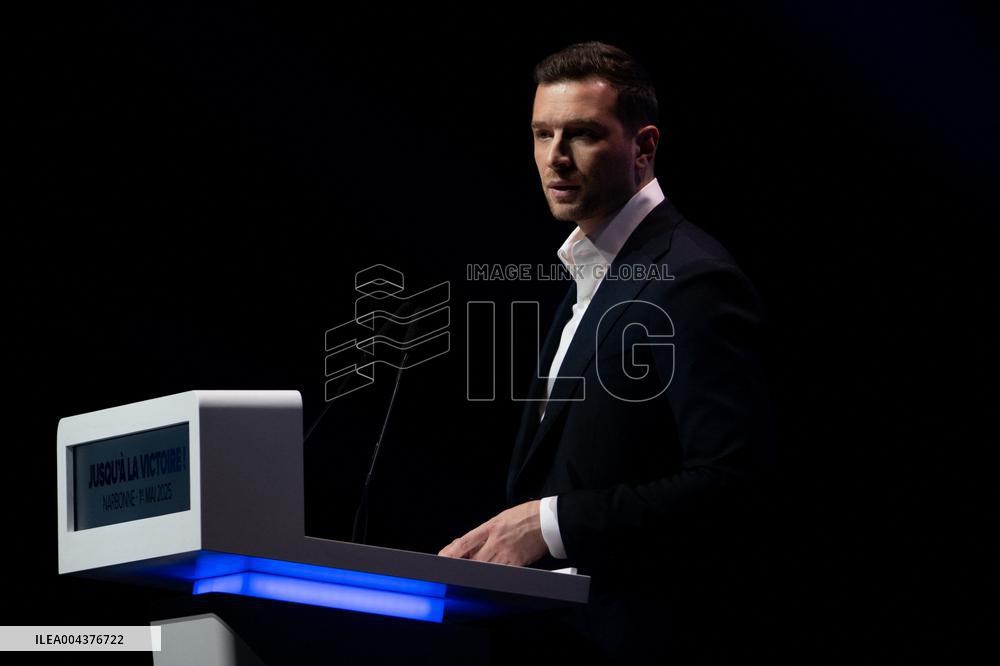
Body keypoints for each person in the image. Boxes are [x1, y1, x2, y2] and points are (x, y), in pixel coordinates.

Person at [439, 41, 775, 662]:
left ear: (643, 148)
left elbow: (735, 482)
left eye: (583, 135)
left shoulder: (694, 280)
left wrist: (547, 524)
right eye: (542, 135)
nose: (555, 158)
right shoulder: (588, 273)